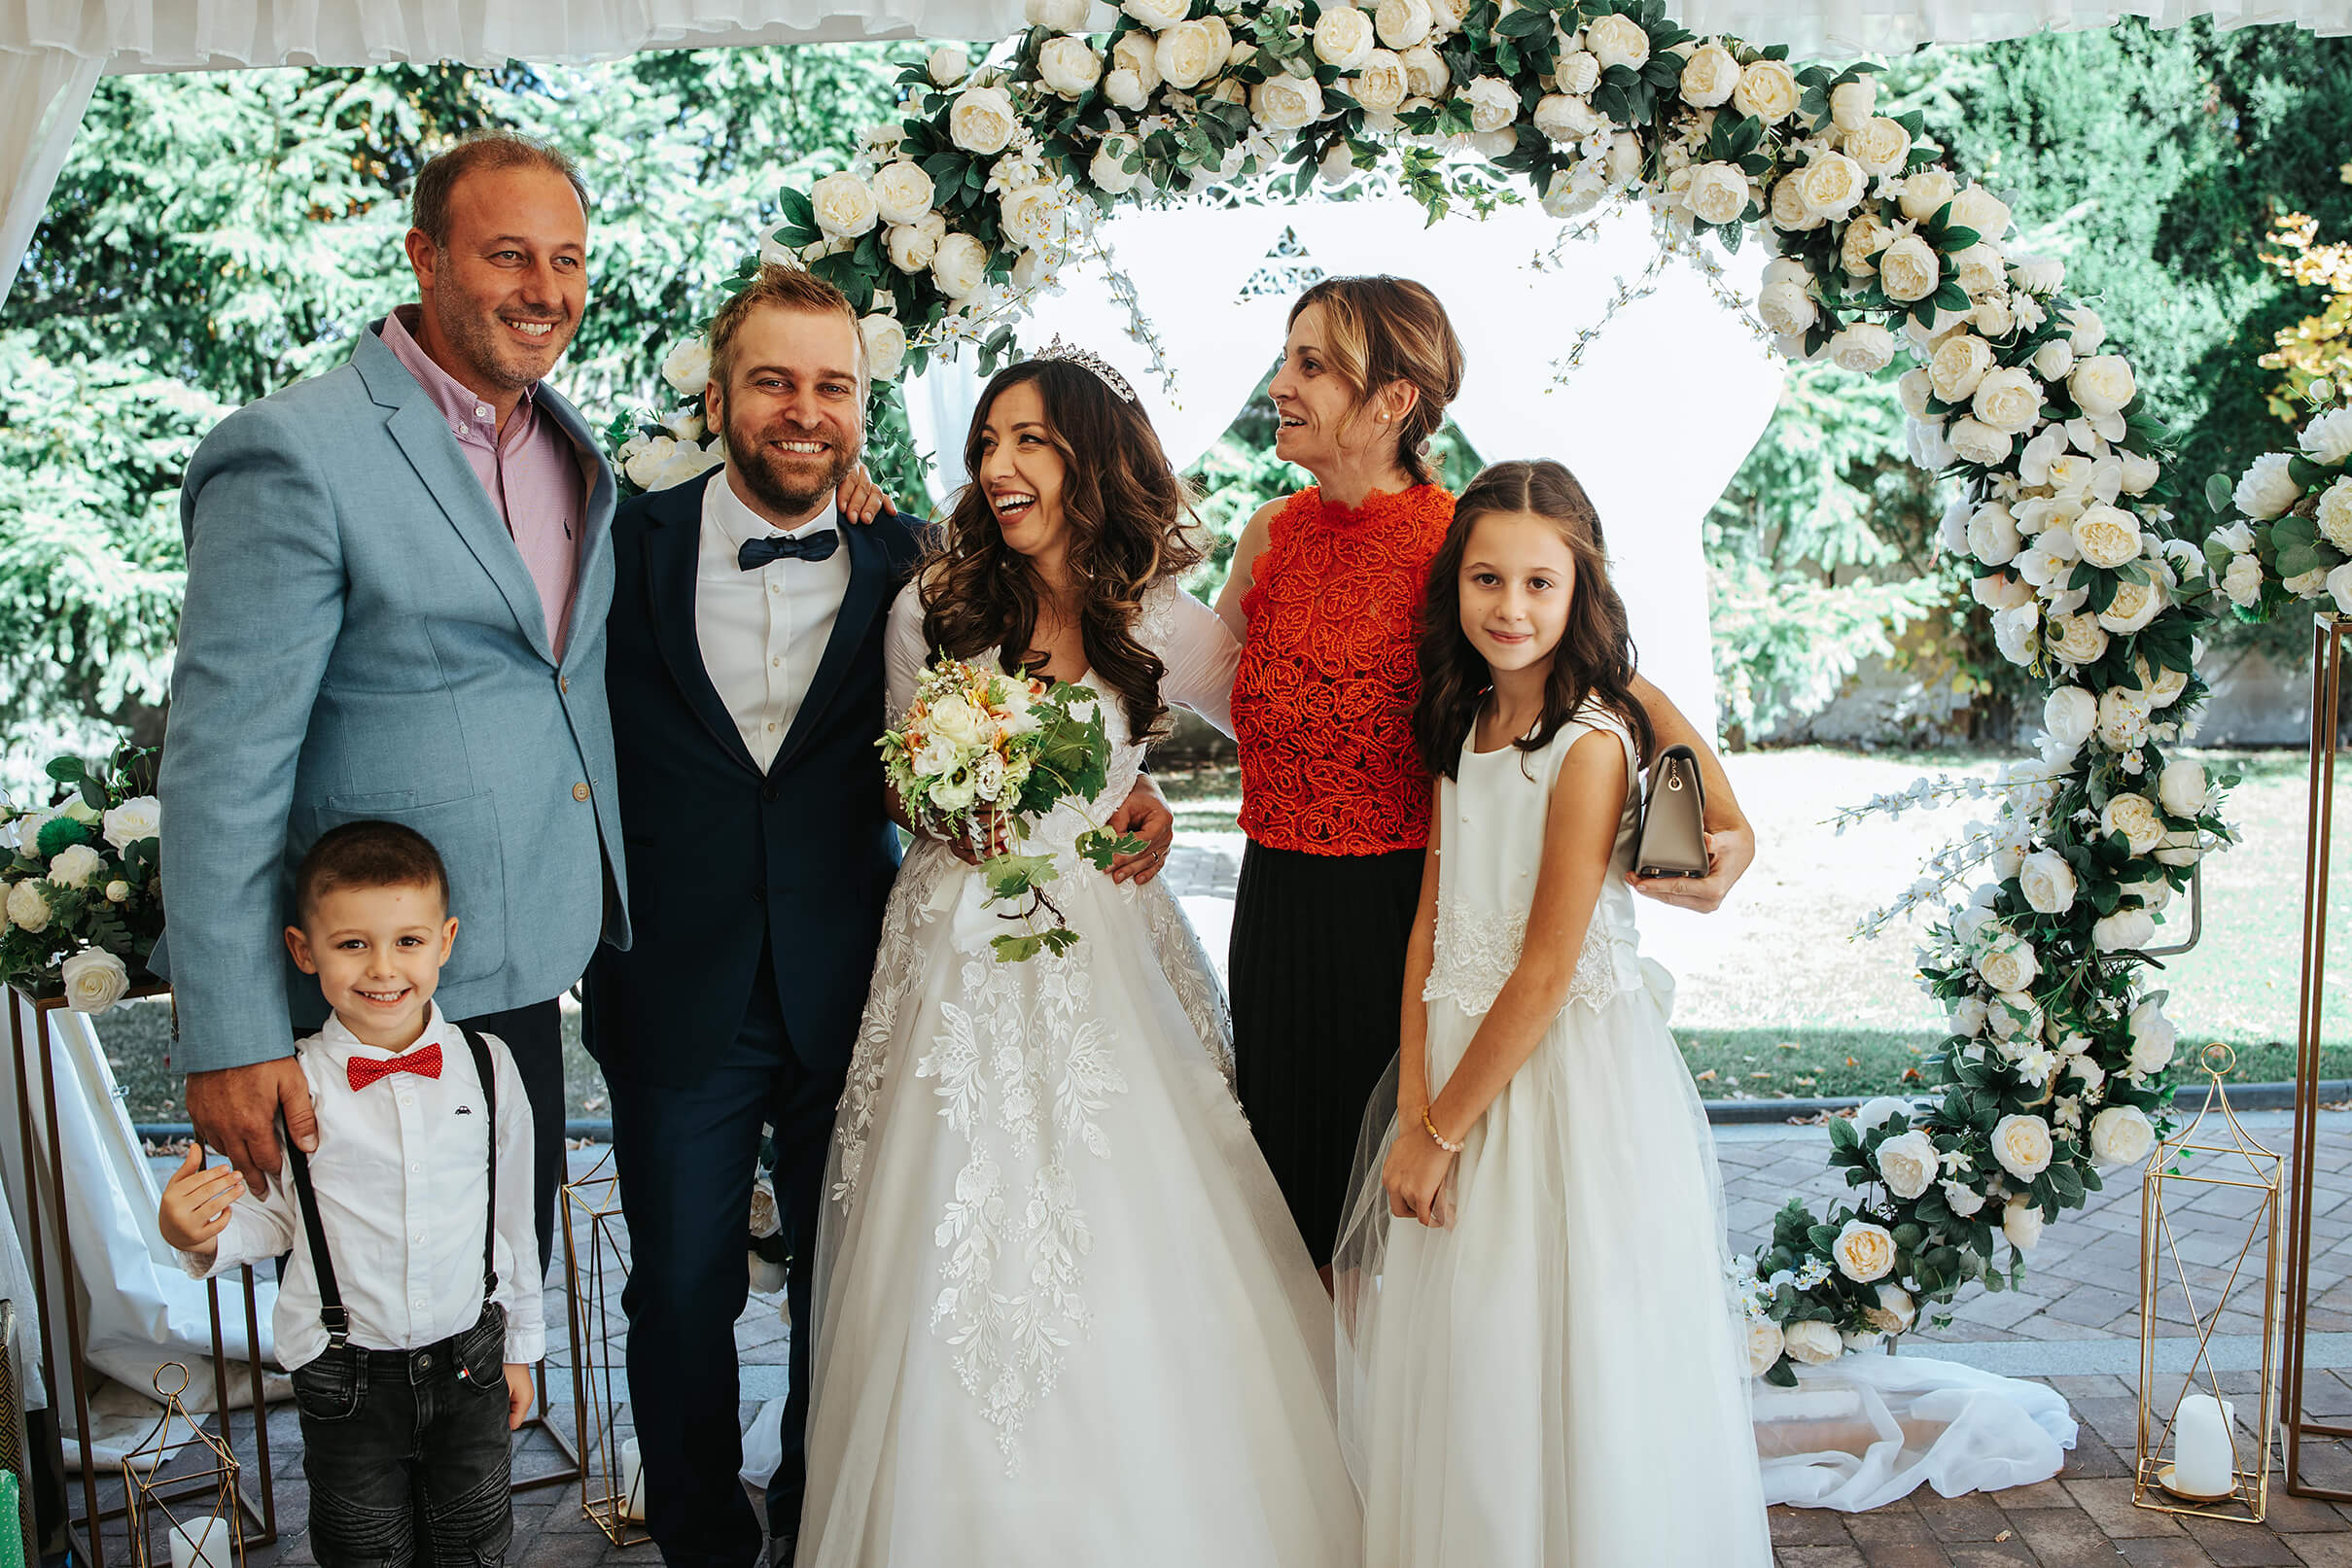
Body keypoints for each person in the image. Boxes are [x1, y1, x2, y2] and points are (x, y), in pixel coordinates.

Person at [585, 268, 1177, 1568]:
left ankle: (822, 1519)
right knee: (676, 1288)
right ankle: (700, 1541)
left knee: (856, 1275)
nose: (804, 411)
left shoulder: (916, 562)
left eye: (832, 387)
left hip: (858, 981)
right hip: (676, 983)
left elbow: (1055, 692)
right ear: (717, 397)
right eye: (772, 382)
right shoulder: (616, 549)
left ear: (862, 406)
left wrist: (1131, 799)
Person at [795, 352, 1359, 1567]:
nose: (997, 466)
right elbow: (898, 768)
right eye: (988, 443)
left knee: (1129, 1208)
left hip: (1101, 940)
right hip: (951, 945)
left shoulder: (1157, 618)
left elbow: (1283, 728)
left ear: (1090, 459)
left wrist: (1149, 797)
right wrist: (949, 804)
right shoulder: (934, 602)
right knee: (945, 1214)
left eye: (1030, 442)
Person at [1211, 275, 1756, 1277]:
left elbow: (1616, 682)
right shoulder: (1267, 536)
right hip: (1274, 901)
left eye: (1312, 364)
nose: (1279, 383)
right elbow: (1214, 686)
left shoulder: (1457, 546)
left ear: (1393, 399)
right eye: (1287, 358)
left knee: (1385, 1232)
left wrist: (1730, 822)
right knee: (1283, 1206)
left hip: (1399, 908)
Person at [157, 132, 620, 1277]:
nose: (545, 289)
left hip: (518, 974)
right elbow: (222, 764)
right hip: (361, 993)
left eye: (566, 259)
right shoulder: (292, 450)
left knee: (505, 1304)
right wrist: (229, 1033)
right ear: (425, 256)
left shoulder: (567, 444)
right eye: (508, 254)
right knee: (361, 1333)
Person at [1332, 462, 1771, 1567]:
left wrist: (1441, 1130)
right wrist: (1414, 1107)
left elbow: (1542, 968)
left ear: (1581, 592)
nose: (1511, 607)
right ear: (1454, 582)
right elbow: (1431, 928)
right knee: (1473, 1350)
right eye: (1487, 577)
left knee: (1566, 1333)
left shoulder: (1591, 742)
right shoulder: (1464, 719)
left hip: (1561, 1081)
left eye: (1541, 582)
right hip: (1458, 1066)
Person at [159, 820, 543, 1568]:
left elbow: (512, 1220)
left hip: (470, 1363)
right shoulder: (294, 1083)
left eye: (408, 940)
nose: (383, 968)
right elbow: (272, 1216)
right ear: (304, 949)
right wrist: (195, 1231)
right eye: (352, 944)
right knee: (364, 1552)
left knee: (475, 1549)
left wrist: (522, 1349)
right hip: (346, 1376)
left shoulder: (488, 1065)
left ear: (445, 940)